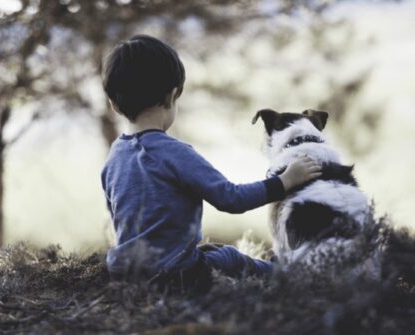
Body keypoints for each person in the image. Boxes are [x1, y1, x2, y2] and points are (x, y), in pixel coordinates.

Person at [100, 35, 322, 293]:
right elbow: (231, 199)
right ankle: (290, 275)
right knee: (229, 256)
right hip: (175, 275)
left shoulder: (114, 156)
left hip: (125, 273)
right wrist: (284, 182)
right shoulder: (175, 153)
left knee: (209, 251)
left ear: (114, 104)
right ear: (172, 96)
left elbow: (121, 216)